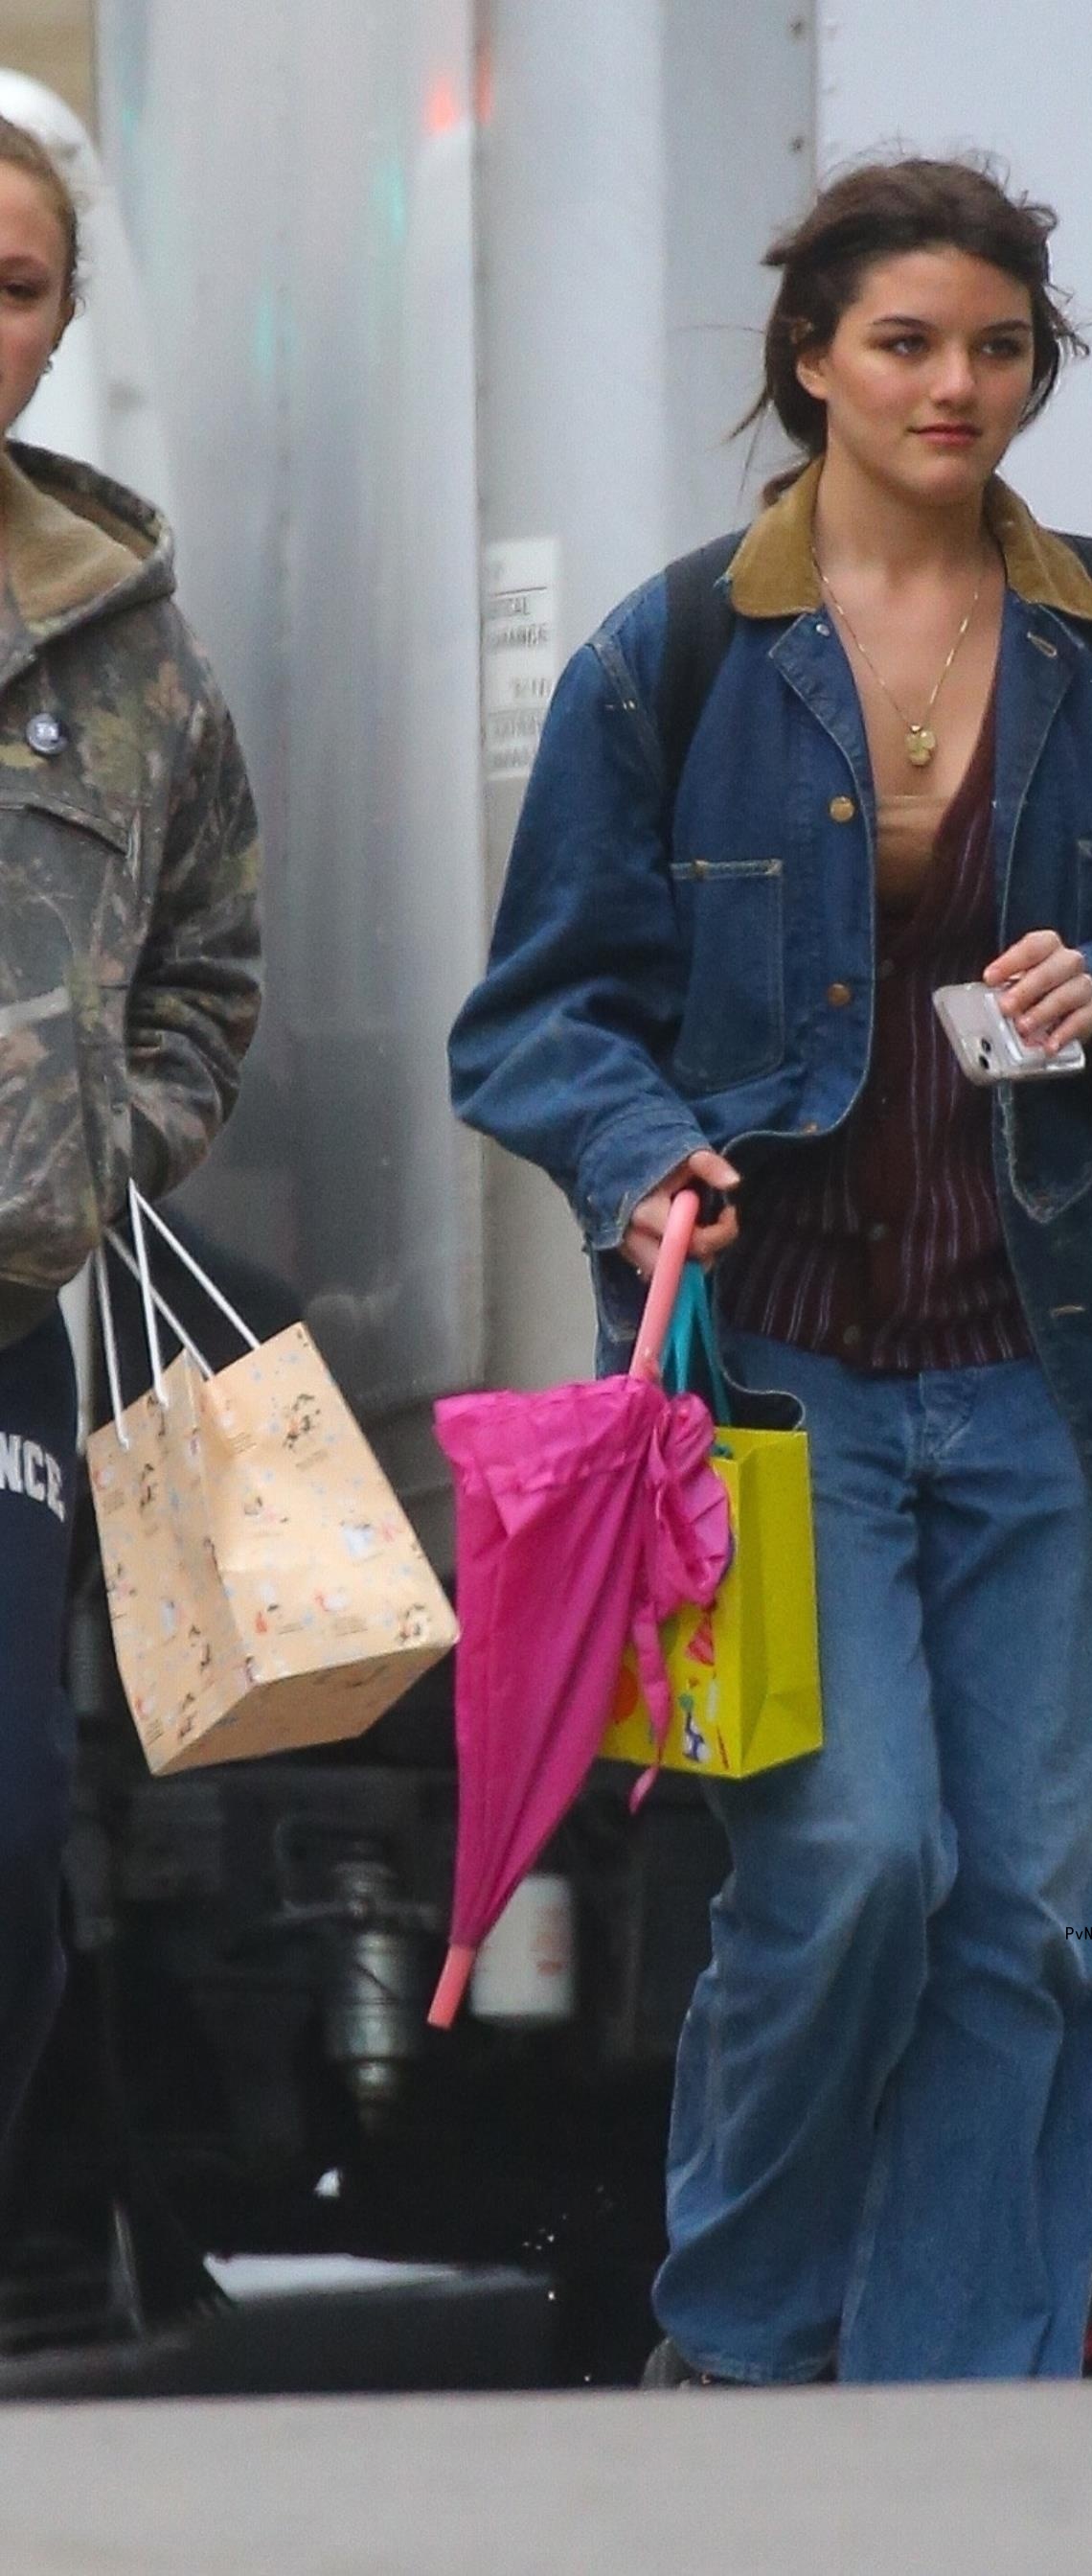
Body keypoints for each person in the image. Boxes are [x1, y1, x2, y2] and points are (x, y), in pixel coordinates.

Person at [449, 153, 1092, 2383]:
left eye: (1000, 344)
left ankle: (961, 2422)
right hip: (782, 1385)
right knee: (856, 1880)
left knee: (1032, 1921)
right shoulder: (681, 652)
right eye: (908, 341)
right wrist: (648, 1165)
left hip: (1058, 1365)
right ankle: (737, 2351)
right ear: (814, 359)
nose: (957, 384)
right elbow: (537, 1015)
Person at [0, 116, 261, 2150]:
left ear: (60, 323)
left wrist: (104, 1143)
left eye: (13, 291)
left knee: (11, 1846)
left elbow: (206, 955)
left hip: (4, 1326)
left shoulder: (124, 643)